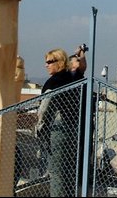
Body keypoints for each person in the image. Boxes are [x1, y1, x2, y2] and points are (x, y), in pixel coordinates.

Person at [36, 47, 83, 196]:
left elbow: (44, 109)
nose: (46, 65)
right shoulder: (71, 78)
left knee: (57, 174)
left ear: (60, 62)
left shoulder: (54, 82)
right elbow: (81, 69)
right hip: (73, 131)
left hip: (58, 131)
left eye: (50, 61)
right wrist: (81, 56)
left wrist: (39, 129)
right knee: (69, 173)